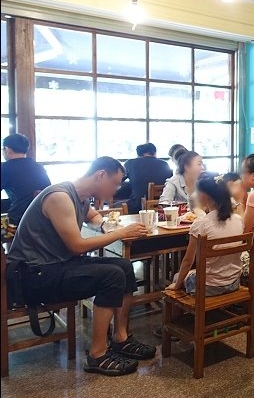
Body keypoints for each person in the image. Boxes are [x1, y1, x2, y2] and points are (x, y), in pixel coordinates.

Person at [6, 157, 155, 376]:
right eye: (115, 183)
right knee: (111, 275)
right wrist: (120, 233)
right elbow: (77, 246)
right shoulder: (60, 196)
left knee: (123, 266)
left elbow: (92, 215)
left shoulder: (79, 197)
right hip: (32, 275)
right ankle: (97, 354)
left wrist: (104, 225)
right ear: (100, 175)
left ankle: (120, 338)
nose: (116, 189)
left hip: (55, 266)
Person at [166, 176, 244, 296]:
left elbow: (188, 261)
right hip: (234, 282)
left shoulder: (201, 224)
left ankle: (179, 309)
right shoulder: (238, 219)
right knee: (192, 273)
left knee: (177, 277)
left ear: (203, 195)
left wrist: (177, 285)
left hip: (207, 286)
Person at [1, 133, 51, 225]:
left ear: (7, 150)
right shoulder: (38, 167)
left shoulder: (5, 168)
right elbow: (48, 190)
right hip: (41, 218)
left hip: (18, 220)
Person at [120, 143, 172, 214]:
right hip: (161, 205)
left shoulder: (130, 163)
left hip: (137, 206)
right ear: (154, 153)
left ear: (138, 154)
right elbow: (170, 182)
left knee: (118, 203)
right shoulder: (165, 164)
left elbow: (119, 180)